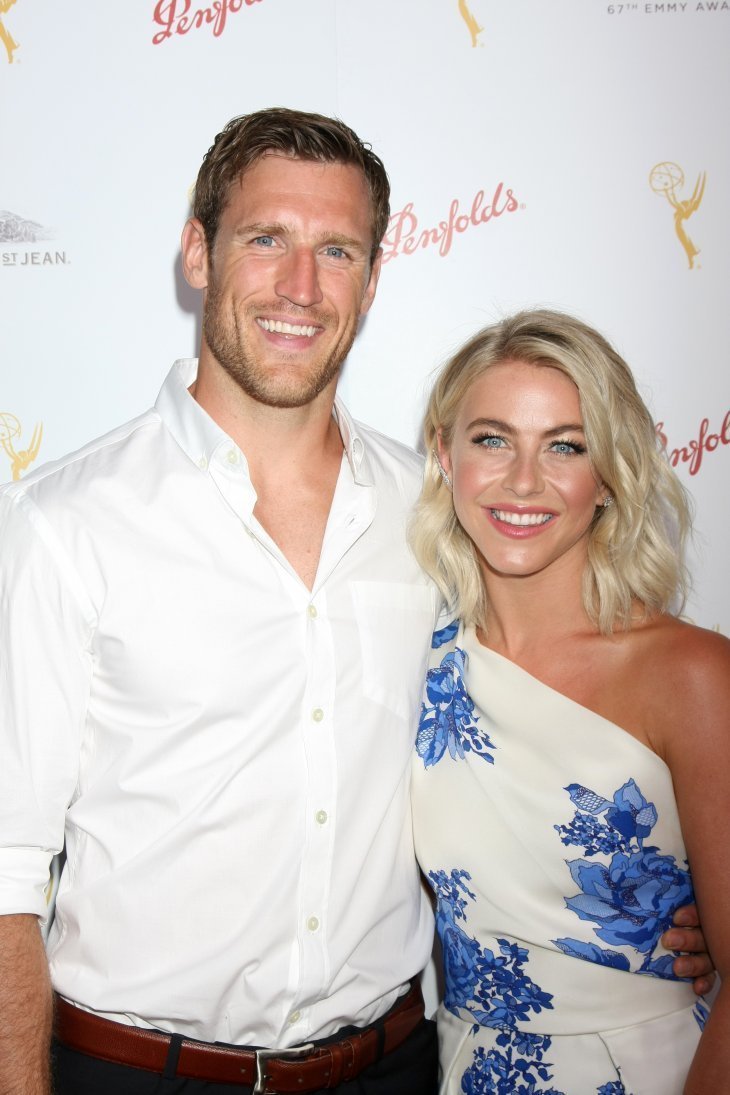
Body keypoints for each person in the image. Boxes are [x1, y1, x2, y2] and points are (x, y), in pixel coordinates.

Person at [0, 113, 712, 1095]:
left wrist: (655, 914)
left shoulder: (440, 515)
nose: (300, 287)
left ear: (372, 279)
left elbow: (530, 743)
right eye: (266, 239)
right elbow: (6, 867)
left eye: (335, 250)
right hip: (136, 1071)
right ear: (197, 252)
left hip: (394, 1067)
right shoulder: (67, 523)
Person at [409, 309, 729, 1094]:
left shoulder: (689, 672)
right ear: (445, 457)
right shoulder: (417, 668)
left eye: (565, 445)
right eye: (492, 439)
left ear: (610, 473)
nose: (524, 480)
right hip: (462, 1066)